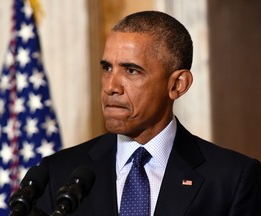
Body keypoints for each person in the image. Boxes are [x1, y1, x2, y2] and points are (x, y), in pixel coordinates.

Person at [29, 11, 261, 216]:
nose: (111, 86)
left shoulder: (231, 179)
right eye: (107, 68)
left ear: (177, 85)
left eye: (131, 71)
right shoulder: (58, 173)